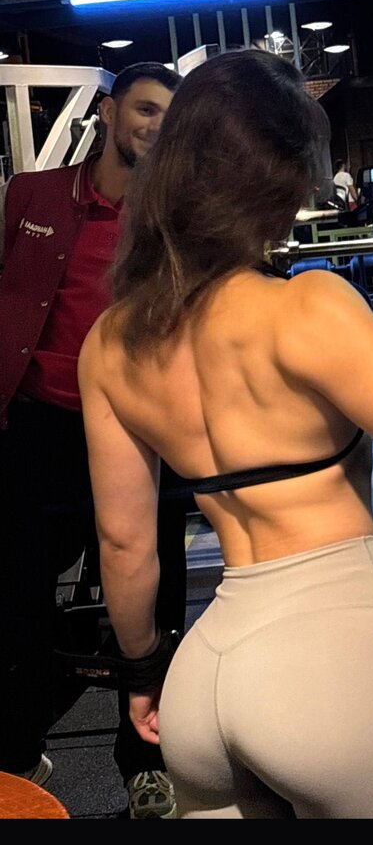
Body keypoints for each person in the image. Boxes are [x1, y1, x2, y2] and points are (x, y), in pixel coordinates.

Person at [78, 49, 373, 819]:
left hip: (205, 678)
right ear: (286, 174)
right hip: (332, 658)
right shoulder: (305, 308)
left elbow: (124, 545)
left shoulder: (110, 342)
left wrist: (142, 673)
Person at [0, 61, 187, 819]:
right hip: (35, 425)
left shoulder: (175, 211)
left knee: (152, 599)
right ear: (108, 113)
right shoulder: (31, 196)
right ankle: (17, 752)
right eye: (144, 109)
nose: (155, 127)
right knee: (15, 599)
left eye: (168, 117)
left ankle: (148, 764)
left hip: (139, 428)